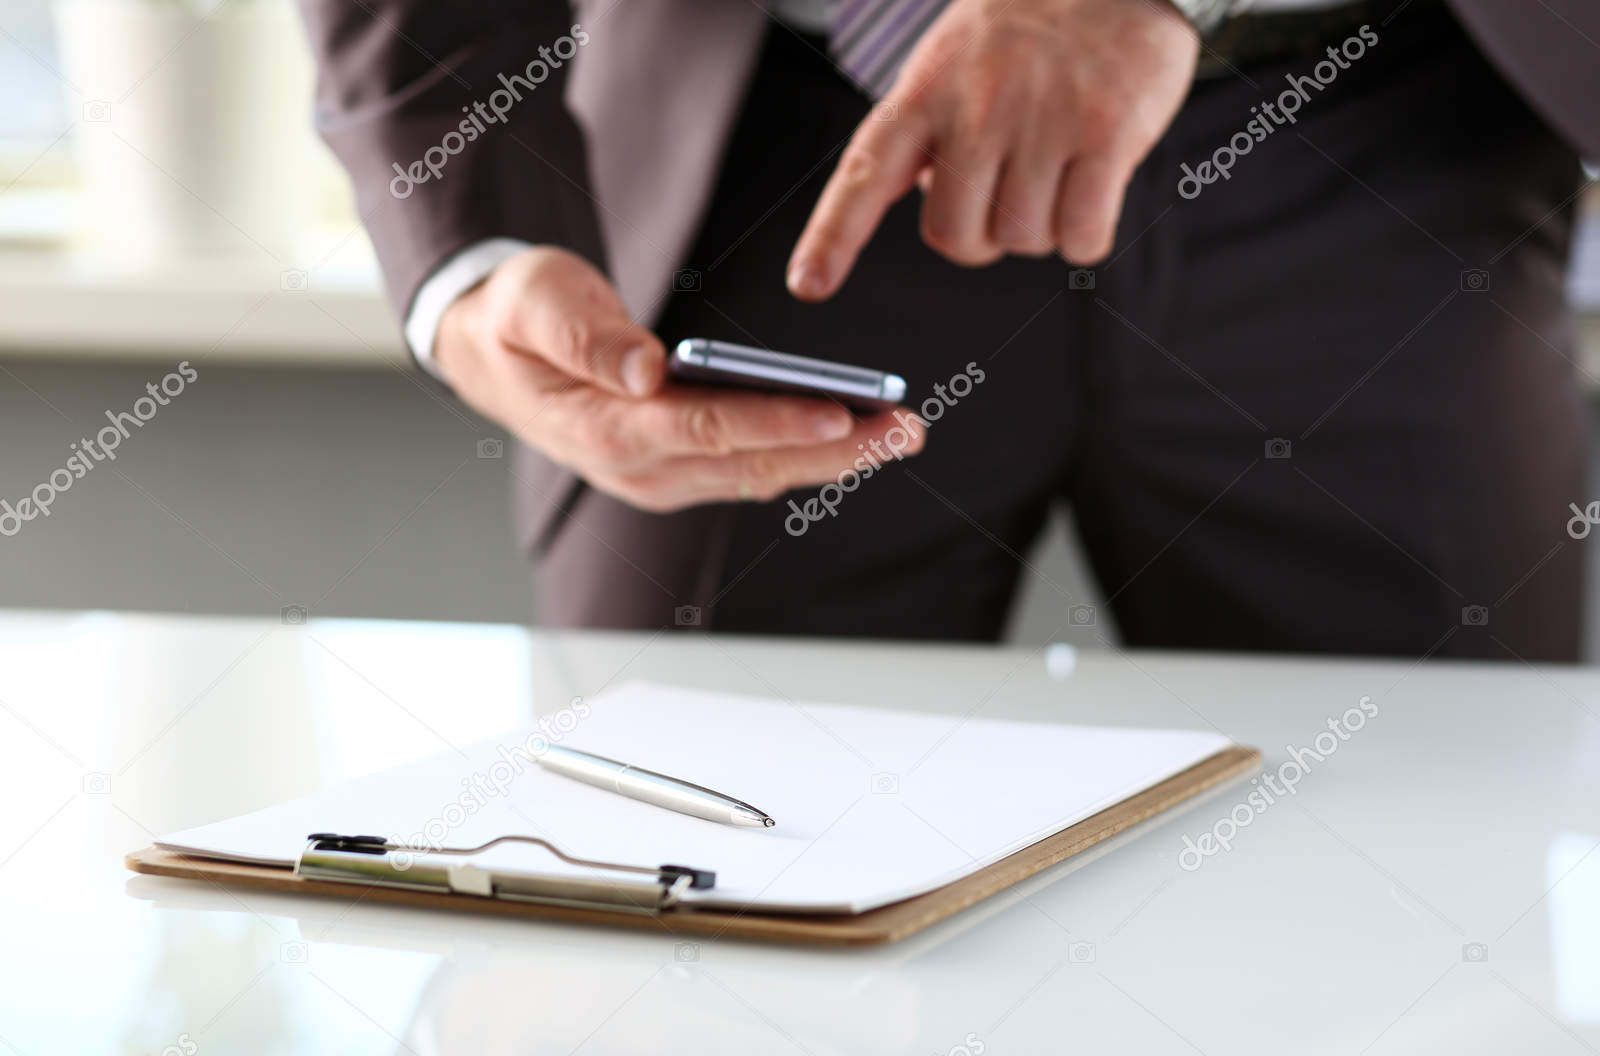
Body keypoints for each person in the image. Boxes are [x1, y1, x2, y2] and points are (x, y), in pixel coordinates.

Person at [299, 0, 1599, 658]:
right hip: (781, 159)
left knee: (1406, 948)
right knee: (688, 928)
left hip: (1378, 145)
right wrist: (465, 248)